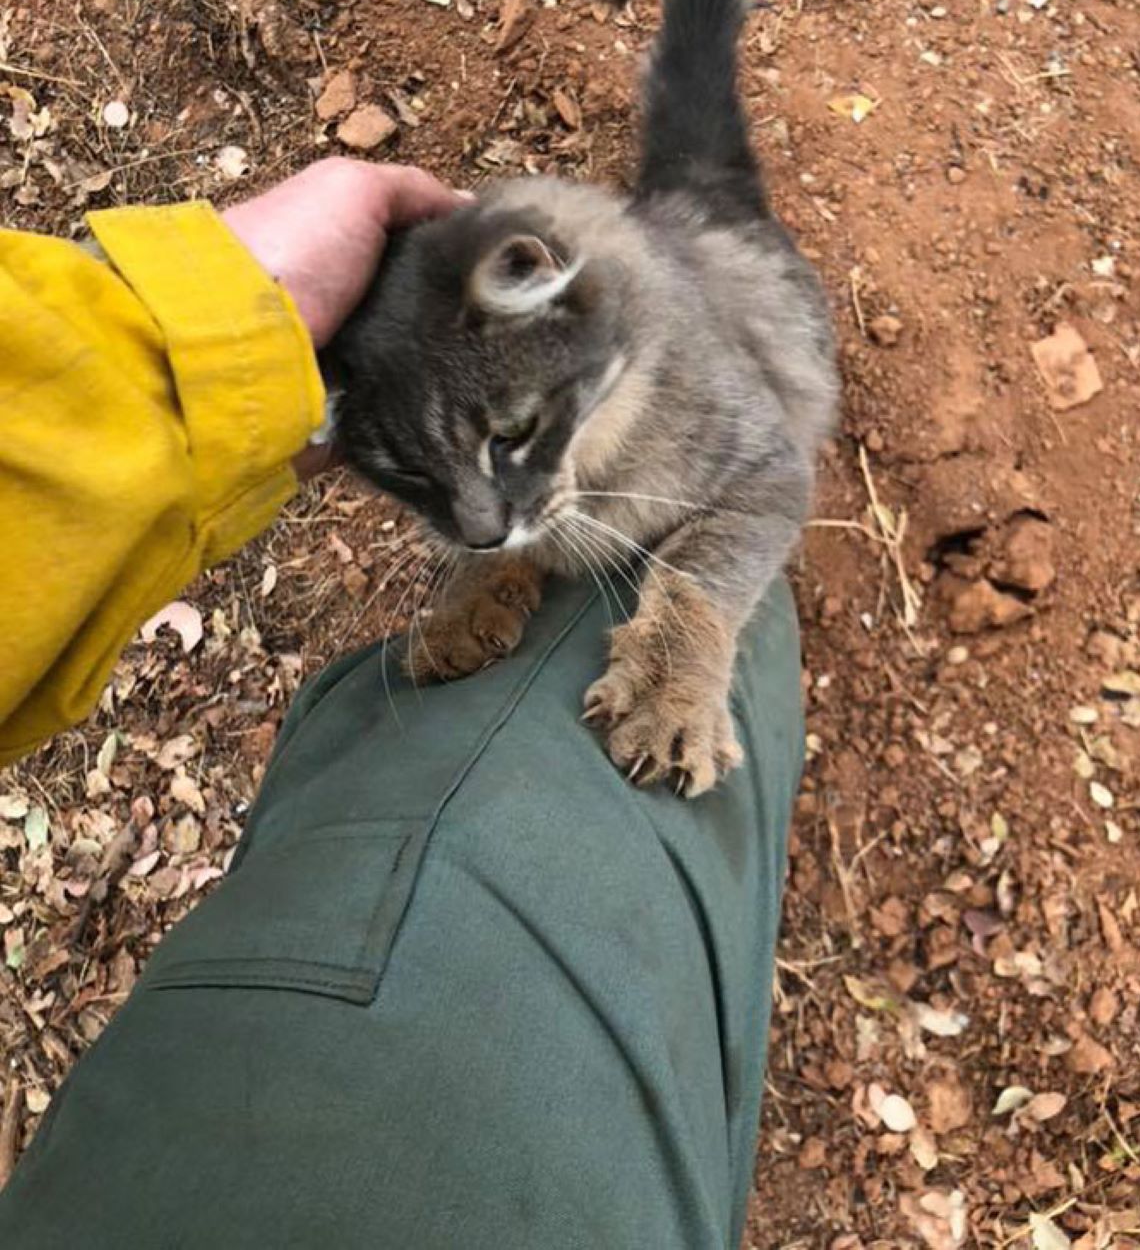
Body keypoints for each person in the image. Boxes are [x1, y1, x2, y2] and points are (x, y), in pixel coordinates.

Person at [0, 159, 806, 1248]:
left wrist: (684, 631)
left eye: (506, 445)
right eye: (424, 485)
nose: (481, 523)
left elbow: (764, 475)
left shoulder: (599, 332)